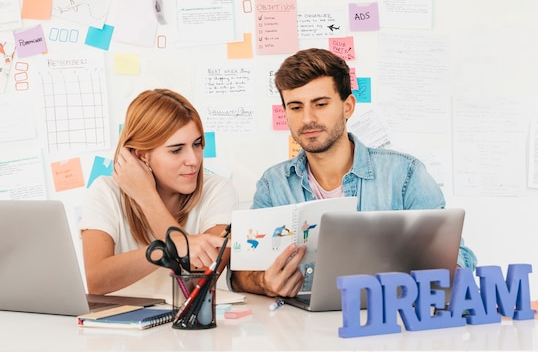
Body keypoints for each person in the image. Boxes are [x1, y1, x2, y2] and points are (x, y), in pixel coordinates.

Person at [230, 48, 477, 298]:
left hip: (389, 327)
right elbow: (241, 273)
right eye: (295, 107)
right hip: (303, 332)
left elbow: (459, 259)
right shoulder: (273, 185)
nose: (307, 119)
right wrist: (264, 281)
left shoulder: (405, 175)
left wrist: (414, 264)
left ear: (348, 106)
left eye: (320, 104)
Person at [81, 88, 237, 298]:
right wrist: (168, 249)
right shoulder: (105, 192)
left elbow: (199, 283)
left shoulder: (218, 190)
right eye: (176, 149)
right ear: (142, 155)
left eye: (197, 144)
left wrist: (147, 198)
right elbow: (97, 282)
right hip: (123, 326)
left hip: (194, 328)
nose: (193, 160)